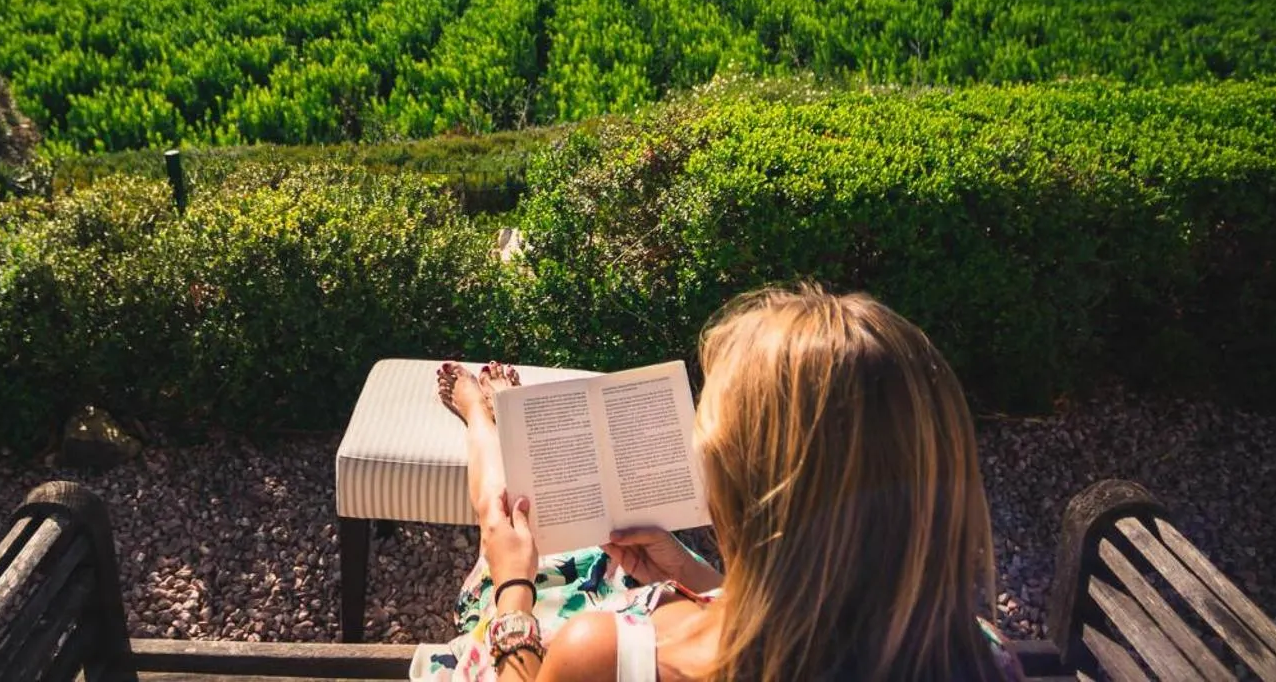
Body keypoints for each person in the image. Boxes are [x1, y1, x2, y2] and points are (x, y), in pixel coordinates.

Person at [419, 282, 1020, 682]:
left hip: (554, 619)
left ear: (751, 494)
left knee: (506, 529)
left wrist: (515, 591)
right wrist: (694, 574)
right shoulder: (979, 656)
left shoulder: (608, 655)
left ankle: (483, 417)